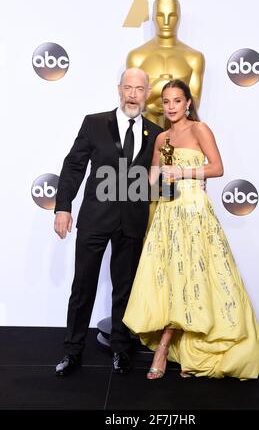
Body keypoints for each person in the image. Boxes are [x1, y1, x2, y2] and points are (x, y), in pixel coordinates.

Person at [123, 79, 259, 380]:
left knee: (195, 276)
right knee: (174, 280)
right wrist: (147, 179)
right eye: (166, 101)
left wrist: (183, 172)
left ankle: (163, 348)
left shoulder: (200, 129)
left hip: (195, 213)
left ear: (188, 102)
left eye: (177, 100)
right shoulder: (161, 138)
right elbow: (153, 176)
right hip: (167, 213)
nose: (172, 106)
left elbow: (217, 168)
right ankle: (186, 348)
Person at [54, 68, 163, 376]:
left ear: (147, 92)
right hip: (95, 218)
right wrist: (63, 207)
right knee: (82, 287)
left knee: (125, 289)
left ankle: (121, 348)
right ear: (119, 89)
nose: (133, 94)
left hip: (132, 220)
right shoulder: (94, 123)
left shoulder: (154, 133)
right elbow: (74, 165)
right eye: (128, 87)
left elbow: (154, 179)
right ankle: (72, 351)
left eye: (139, 89)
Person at [127, 0, 205, 128]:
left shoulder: (194, 57)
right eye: (160, 16)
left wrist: (156, 98)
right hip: (145, 134)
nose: (166, 22)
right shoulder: (137, 57)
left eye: (172, 16)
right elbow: (131, 101)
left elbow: (194, 102)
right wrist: (159, 89)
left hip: (180, 135)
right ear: (153, 18)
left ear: (179, 18)